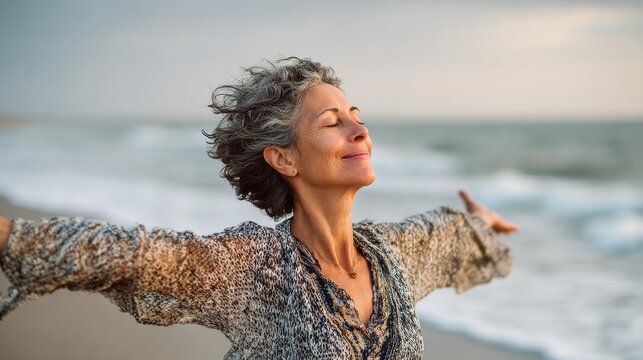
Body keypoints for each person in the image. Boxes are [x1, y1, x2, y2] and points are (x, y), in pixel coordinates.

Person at [0, 57, 518, 359]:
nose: (360, 130)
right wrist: (9, 235)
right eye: (332, 122)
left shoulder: (390, 255)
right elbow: (140, 254)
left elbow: (448, 234)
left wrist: (481, 223)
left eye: (357, 116)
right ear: (284, 158)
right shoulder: (256, 269)